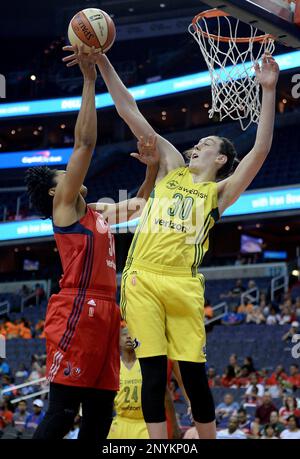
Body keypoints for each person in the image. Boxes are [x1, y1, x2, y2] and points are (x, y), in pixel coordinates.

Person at [62, 47, 279, 439]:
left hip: (183, 283)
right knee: (153, 370)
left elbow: (260, 150)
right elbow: (131, 110)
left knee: (194, 374)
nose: (198, 145)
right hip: (142, 278)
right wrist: (104, 61)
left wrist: (267, 91)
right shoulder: (171, 167)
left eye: (207, 143)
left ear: (221, 160)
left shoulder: (221, 192)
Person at [25, 47, 160, 441]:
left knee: (101, 414)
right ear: (56, 190)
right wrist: (88, 79)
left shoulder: (97, 210)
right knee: (63, 413)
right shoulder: (64, 209)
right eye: (61, 174)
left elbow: (136, 206)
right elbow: (84, 145)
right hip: (77, 308)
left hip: (107, 312)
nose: (69, 174)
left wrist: (150, 169)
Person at [108, 326, 149, 439]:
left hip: (143, 423)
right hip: (120, 422)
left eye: (132, 334)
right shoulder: (113, 365)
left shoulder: (146, 365)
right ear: (118, 341)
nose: (129, 337)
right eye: (125, 334)